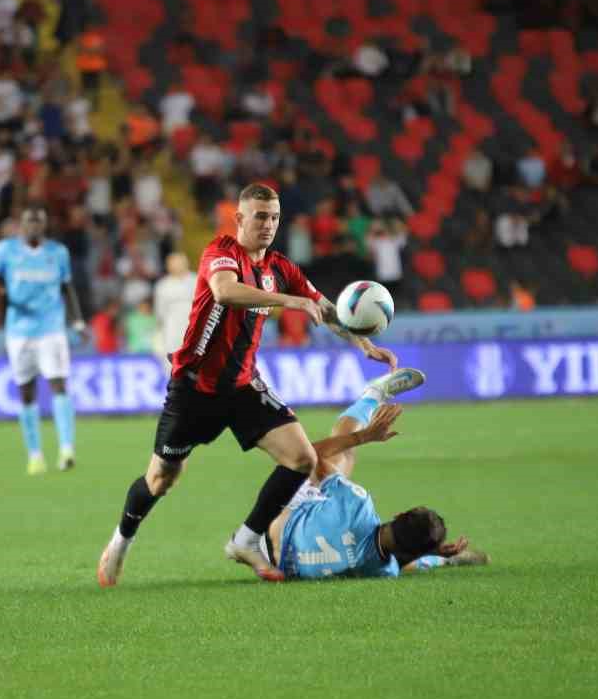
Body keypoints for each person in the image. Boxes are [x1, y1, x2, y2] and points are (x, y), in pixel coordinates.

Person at [96, 182, 399, 588]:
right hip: (194, 388)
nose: (269, 224)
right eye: (260, 216)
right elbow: (224, 292)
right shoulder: (220, 253)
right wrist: (290, 302)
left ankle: (247, 539)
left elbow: (325, 308)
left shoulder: (280, 267)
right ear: (239, 218)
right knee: (161, 479)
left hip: (242, 388)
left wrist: (363, 343)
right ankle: (120, 541)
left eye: (274, 217)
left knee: (302, 459)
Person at [268, 397, 489, 581]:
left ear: (399, 514)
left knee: (343, 456)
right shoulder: (382, 571)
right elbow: (401, 562)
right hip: (276, 567)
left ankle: (372, 394)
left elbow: (307, 454)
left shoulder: (359, 505)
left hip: (273, 526)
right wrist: (430, 551)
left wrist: (364, 436)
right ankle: (444, 561)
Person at [0, 205, 86, 474]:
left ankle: (66, 449)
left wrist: (77, 321)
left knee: (58, 385)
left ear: (45, 225)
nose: (34, 226)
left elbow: (66, 287)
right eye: (29, 222)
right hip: (18, 331)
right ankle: (35, 455)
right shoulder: (5, 250)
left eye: (39, 222)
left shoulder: (58, 253)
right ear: (21, 224)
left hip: (52, 329)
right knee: (26, 392)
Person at [151, 250, 195, 366]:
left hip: (195, 330)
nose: (175, 266)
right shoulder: (162, 286)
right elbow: (159, 312)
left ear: (186, 263)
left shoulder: (197, 281)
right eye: (172, 263)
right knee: (172, 366)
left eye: (179, 262)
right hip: (172, 330)